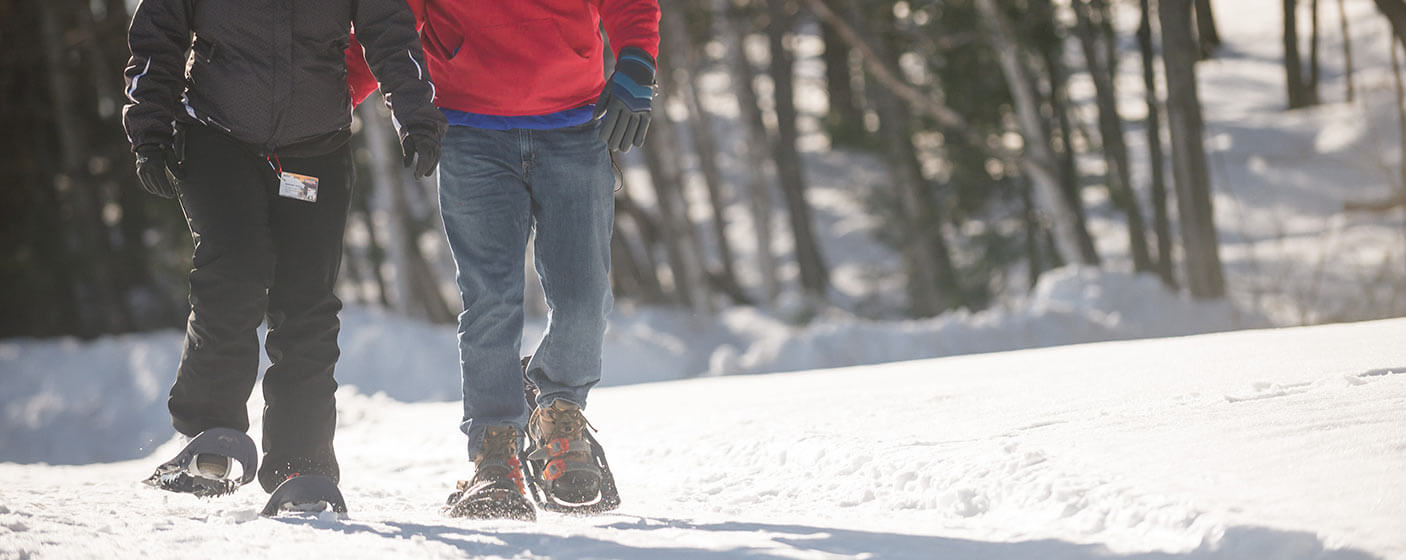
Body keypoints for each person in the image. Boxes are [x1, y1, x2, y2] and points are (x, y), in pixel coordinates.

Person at [347, 0, 659, 520]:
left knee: (585, 299)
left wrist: (636, 62)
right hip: (471, 134)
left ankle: (558, 410)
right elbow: (391, 20)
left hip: (576, 127)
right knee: (490, 299)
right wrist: (333, 95)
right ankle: (494, 452)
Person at [125, 0, 447, 498]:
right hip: (217, 135)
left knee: (307, 304)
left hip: (314, 146)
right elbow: (158, 31)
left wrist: (416, 115)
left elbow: (388, 28)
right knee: (233, 273)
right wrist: (150, 127)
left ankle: (302, 459)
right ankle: (211, 429)